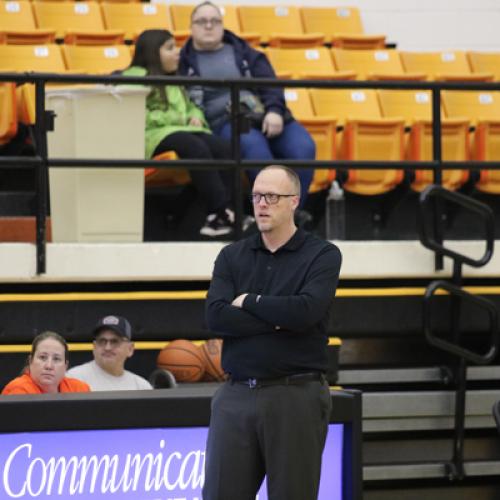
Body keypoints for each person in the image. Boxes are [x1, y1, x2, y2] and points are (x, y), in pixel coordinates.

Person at [203, 165, 342, 499]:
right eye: (255, 196)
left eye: (271, 197)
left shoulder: (322, 255)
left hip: (294, 395)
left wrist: (250, 300)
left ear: (294, 201)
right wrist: (281, 317)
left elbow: (307, 312)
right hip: (235, 393)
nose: (261, 204)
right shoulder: (232, 255)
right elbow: (216, 318)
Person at [178, 1, 316, 211]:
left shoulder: (244, 52)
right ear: (191, 27)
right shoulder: (183, 62)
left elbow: (270, 84)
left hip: (265, 114)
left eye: (215, 21)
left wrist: (275, 111)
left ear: (223, 25)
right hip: (227, 121)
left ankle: (291, 217)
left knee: (304, 148)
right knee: (256, 151)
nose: (209, 26)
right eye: (202, 21)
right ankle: (272, 216)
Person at [123, 29, 235, 237]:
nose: (177, 53)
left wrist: (196, 117)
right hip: (152, 135)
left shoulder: (173, 78)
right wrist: (177, 119)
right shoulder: (133, 78)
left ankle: (214, 215)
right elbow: (137, 115)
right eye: (170, 48)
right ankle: (221, 209)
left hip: (182, 130)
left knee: (225, 149)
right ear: (152, 52)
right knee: (196, 148)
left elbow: (190, 106)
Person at [67, 315, 152, 391]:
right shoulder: (74, 378)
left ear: (130, 349)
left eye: (115, 341)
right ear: (94, 347)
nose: (108, 347)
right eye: (102, 341)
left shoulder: (141, 387)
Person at [1, 331, 90, 395]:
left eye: (56, 359)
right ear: (30, 361)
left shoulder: (79, 389)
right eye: (42, 357)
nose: (49, 366)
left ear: (65, 366)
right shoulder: (19, 390)